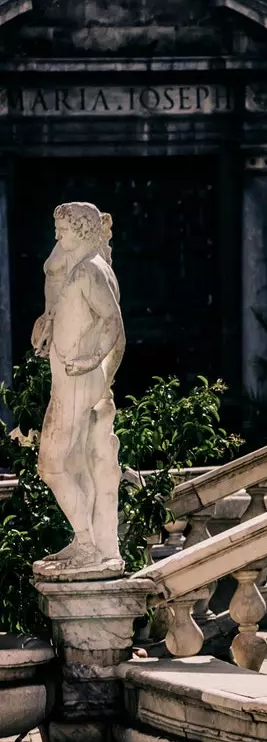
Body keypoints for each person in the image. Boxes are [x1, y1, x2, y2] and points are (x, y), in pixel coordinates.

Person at [33, 202, 125, 573]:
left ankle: (88, 546)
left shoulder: (89, 270)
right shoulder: (83, 267)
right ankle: (83, 540)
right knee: (75, 464)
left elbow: (112, 322)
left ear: (83, 231)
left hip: (76, 380)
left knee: (50, 465)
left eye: (64, 230)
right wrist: (49, 329)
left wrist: (90, 361)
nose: (58, 236)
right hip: (70, 376)